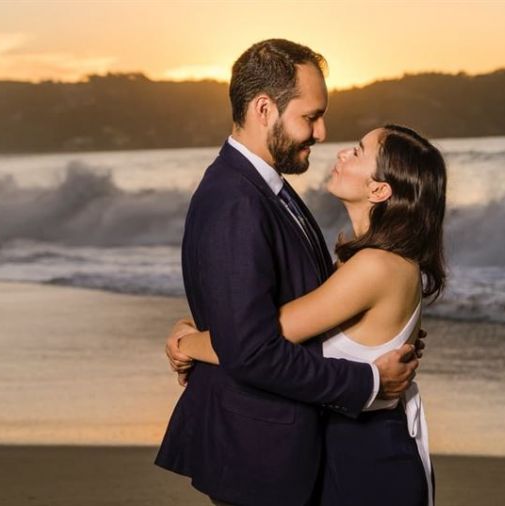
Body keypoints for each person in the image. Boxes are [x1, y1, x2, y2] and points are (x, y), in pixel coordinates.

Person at [154, 39, 422, 506]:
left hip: (288, 446)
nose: (321, 133)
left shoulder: (267, 188)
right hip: (260, 449)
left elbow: (273, 311)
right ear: (264, 109)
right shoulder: (237, 199)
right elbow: (251, 349)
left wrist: (380, 331)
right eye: (310, 117)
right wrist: (369, 381)